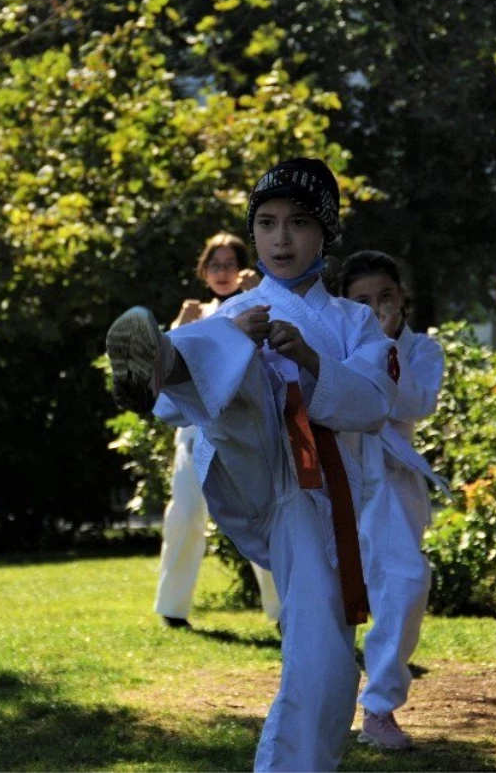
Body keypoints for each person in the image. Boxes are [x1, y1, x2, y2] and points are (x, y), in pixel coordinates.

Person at [106, 158, 397, 772]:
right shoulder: (238, 306)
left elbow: (372, 404)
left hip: (318, 498)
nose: (281, 238)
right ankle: (165, 362)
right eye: (266, 224)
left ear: (326, 234)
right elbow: (173, 415)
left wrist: (315, 361)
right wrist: (239, 335)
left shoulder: (352, 321)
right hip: (255, 473)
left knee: (322, 661)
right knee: (234, 344)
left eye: (297, 223)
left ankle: (174, 365)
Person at [339, 250, 445, 751]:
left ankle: (379, 707)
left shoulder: (423, 350)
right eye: (363, 300)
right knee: (329, 592)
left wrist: (382, 349)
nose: (378, 307)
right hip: (338, 468)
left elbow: (414, 403)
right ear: (347, 306)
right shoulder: (336, 342)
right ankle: (323, 699)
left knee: (404, 582)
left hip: (393, 477)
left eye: (386, 296)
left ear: (402, 297)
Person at [155, 232, 280, 629]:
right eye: (215, 265)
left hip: (245, 432)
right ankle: (173, 610)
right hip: (195, 433)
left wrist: (262, 293)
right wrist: (178, 324)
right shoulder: (195, 315)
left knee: (265, 517)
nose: (223, 272)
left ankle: (284, 610)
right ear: (204, 271)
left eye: (230, 264)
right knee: (187, 515)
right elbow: (164, 375)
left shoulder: (260, 303)